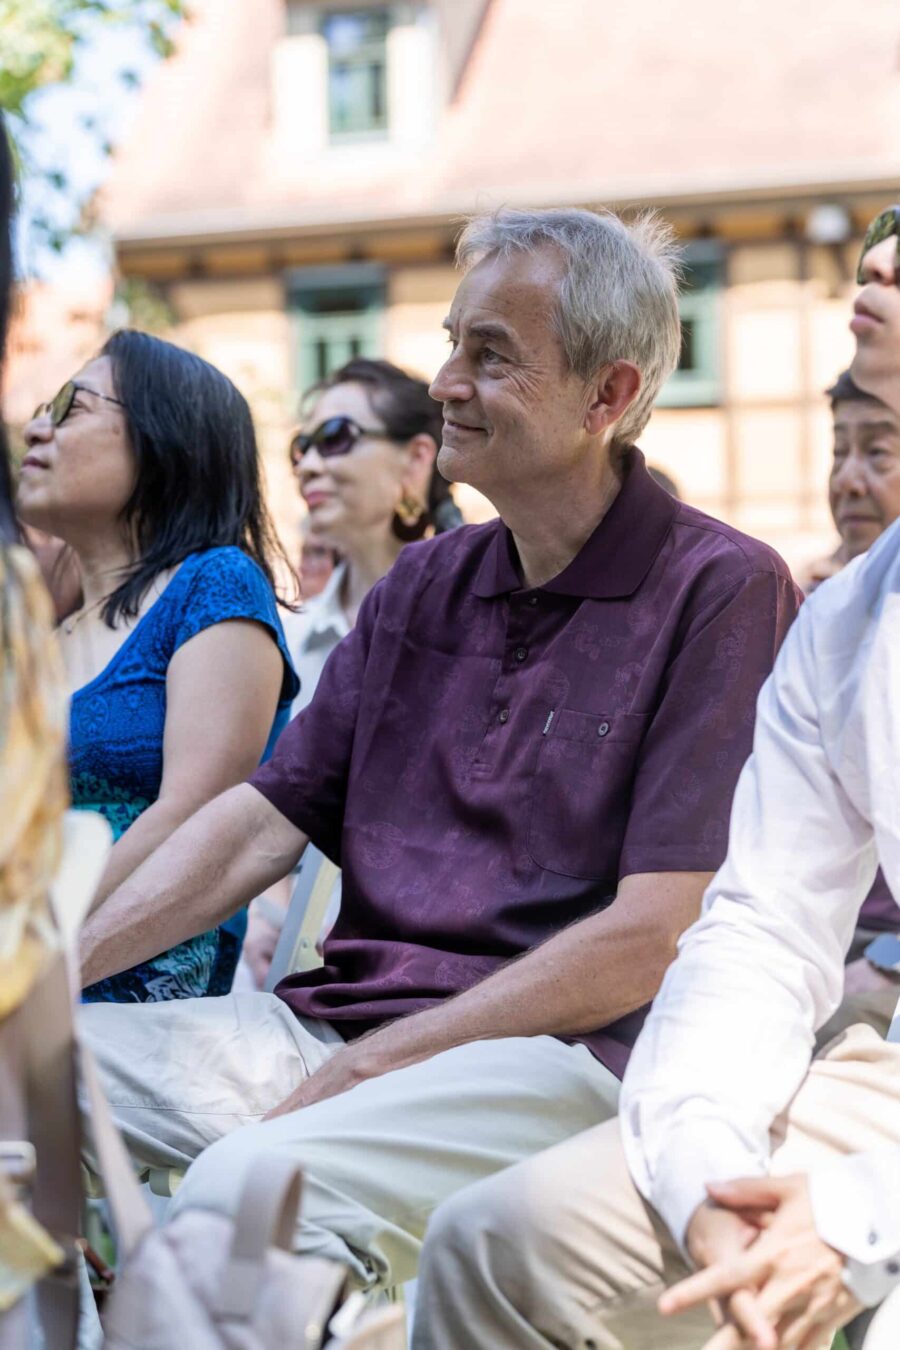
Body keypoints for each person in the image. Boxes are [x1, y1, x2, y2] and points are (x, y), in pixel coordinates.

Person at [76, 206, 797, 1295]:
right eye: (454, 341)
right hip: (331, 1034)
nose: (448, 380)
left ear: (610, 395)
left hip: (559, 1058)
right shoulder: (427, 581)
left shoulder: (723, 588)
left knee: (245, 1188)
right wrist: (38, 981)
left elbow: (655, 933)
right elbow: (259, 826)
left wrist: (379, 1063)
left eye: (491, 354)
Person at [410, 206, 900, 1350]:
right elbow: (762, 932)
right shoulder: (845, 626)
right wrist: (710, 1186)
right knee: (493, 1242)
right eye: (879, 230)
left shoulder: (729, 590)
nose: (879, 258)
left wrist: (855, 1217)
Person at [17, 330, 299, 1003]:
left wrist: (33, 946)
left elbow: (193, 815)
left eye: (68, 408)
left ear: (163, 438)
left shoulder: (213, 585)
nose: (33, 428)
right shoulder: (41, 633)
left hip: (132, 989)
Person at [242, 357, 462, 986]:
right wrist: (267, 919)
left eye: (336, 438)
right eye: (300, 446)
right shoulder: (285, 639)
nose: (309, 464)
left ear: (417, 459)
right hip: (272, 959)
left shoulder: (477, 628)